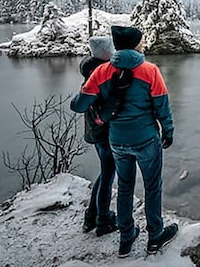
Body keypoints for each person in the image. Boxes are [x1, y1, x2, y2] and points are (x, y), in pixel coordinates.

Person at [70, 26, 177, 258]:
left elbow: (78, 105)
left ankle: (126, 238)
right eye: (142, 41)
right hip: (146, 139)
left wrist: (94, 93)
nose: (144, 44)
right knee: (152, 187)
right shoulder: (150, 70)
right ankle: (155, 236)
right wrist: (168, 131)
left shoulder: (101, 72)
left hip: (117, 141)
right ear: (136, 44)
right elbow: (162, 107)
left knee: (125, 187)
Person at [76, 36, 118, 237]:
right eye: (110, 48)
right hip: (104, 133)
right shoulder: (100, 74)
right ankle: (103, 220)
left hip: (95, 132)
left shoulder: (90, 71)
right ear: (105, 52)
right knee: (108, 175)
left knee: (105, 173)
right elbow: (103, 106)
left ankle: (91, 215)